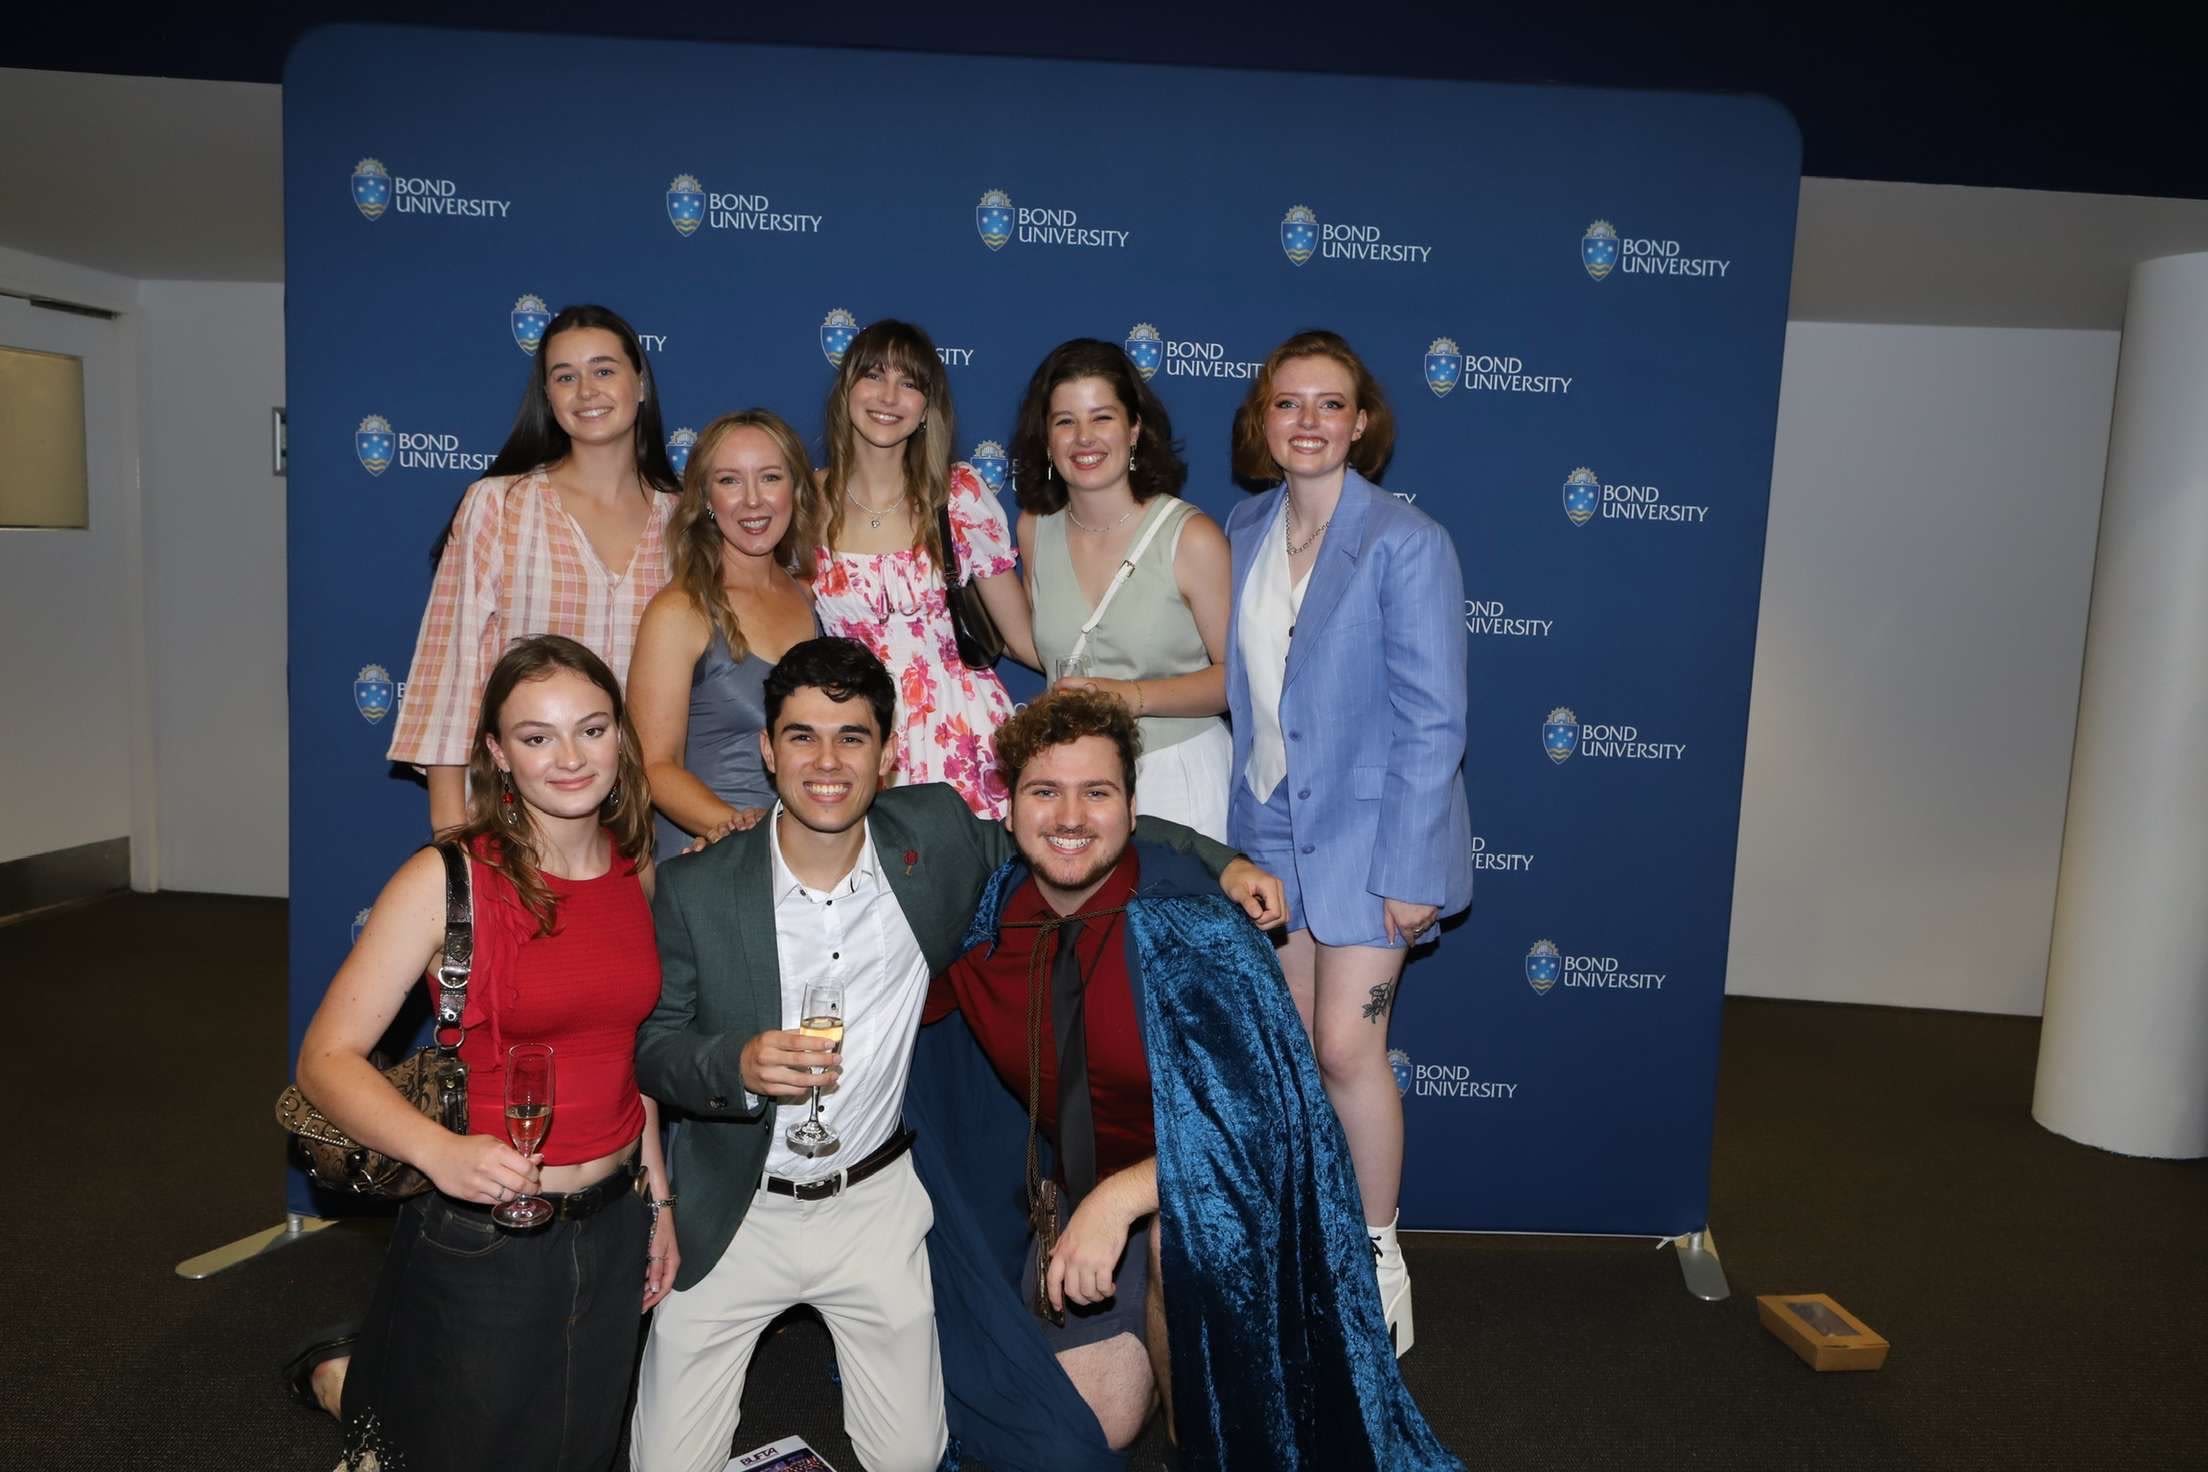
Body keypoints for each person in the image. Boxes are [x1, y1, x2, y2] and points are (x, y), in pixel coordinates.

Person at [628, 637, 1278, 1472]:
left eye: (852, 737)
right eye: (802, 737)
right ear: (767, 749)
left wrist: (1221, 862)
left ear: (888, 754)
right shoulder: (698, 887)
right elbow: (654, 1050)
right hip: (739, 1212)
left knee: (915, 1458)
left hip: (874, 1206)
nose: (827, 762)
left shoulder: (931, 838)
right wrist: (734, 1066)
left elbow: (1074, 828)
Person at [905, 687, 1462, 1470]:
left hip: (1223, 1212)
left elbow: (1267, 1130)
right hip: (1080, 1205)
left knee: (1186, 1241)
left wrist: (1117, 1201)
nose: (1069, 816)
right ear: (1010, 811)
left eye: (1096, 793)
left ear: (1133, 811)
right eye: (1044, 792)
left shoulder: (1194, 928)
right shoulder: (988, 926)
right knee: (1085, 1432)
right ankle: (1158, 1359)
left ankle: (1204, 1443)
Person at [294, 635, 678, 1471]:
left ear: (622, 737)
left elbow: (628, 1055)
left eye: (592, 729)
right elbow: (325, 1058)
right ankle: (352, 1385)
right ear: (499, 756)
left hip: (615, 1223)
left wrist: (660, 1203)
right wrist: (441, 1154)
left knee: (579, 1446)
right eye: (537, 738)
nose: (571, 758)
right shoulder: (447, 879)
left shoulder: (633, 870)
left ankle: (357, 1377)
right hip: (486, 1231)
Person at [1222, 329, 1472, 1357]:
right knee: (1293, 1055)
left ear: (1362, 421)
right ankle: (1309, 1241)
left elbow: (1435, 719)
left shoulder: (1408, 541)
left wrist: (1412, 869)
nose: (1310, 421)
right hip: (1271, 828)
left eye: (1331, 403)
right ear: (1264, 419)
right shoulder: (1238, 528)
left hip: (1376, 835)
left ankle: (1376, 1255)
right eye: (1290, 403)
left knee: (1344, 1045)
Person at [387, 303, 682, 833]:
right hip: (514, 819)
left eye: (604, 370)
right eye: (565, 376)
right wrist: (454, 843)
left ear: (640, 384)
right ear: (548, 397)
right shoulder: (497, 506)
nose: (586, 390)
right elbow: (448, 683)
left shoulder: (685, 523)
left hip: (644, 827)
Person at [807, 319, 1037, 818]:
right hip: (857, 741)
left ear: (928, 407)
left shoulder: (959, 496)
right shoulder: (807, 503)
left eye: (909, 383)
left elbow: (1022, 639)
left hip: (966, 738)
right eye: (874, 375)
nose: (889, 396)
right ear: (845, 390)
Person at [1008, 339, 1233, 841]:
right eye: (1065, 421)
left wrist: (1129, 696)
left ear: (1134, 429)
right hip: (1072, 783)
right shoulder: (1033, 529)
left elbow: (1233, 681)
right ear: (1046, 439)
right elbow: (1036, 643)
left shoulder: (1191, 537)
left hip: (1176, 776)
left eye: (1102, 417)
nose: (1083, 438)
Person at [630, 409, 821, 860]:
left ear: (795, 490)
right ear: (706, 498)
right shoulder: (680, 610)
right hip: (710, 858)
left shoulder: (810, 598)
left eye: (770, 477)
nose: (753, 501)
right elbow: (652, 767)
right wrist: (744, 837)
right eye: (731, 481)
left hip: (805, 859)